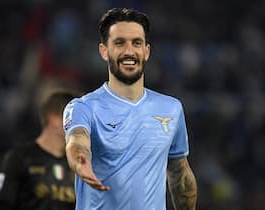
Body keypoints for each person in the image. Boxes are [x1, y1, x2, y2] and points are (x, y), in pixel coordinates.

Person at [63, 8, 197, 210]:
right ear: (104, 51)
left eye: (136, 43)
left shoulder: (171, 108)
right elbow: (77, 141)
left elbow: (179, 172)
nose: (129, 51)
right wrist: (81, 161)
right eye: (119, 43)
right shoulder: (84, 107)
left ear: (147, 51)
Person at [0, 89, 77, 210]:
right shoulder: (19, 159)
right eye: (75, 119)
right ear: (55, 120)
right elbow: (1, 204)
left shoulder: (79, 165)